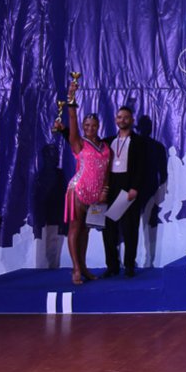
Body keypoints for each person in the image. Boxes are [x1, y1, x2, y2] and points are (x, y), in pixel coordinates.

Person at [56, 97, 111, 285]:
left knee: (85, 231)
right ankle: (76, 269)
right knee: (75, 228)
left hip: (95, 195)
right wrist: (71, 102)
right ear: (82, 126)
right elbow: (72, 119)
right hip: (78, 190)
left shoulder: (105, 147)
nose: (90, 128)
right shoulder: (78, 142)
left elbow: (107, 171)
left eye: (93, 125)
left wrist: (105, 190)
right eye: (86, 125)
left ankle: (84, 266)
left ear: (98, 126)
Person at [103, 106, 146, 277]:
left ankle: (129, 265)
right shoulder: (108, 141)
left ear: (132, 120)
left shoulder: (140, 142)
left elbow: (142, 167)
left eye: (126, 117)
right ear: (116, 119)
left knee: (130, 228)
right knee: (108, 229)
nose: (122, 120)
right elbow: (84, 145)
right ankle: (112, 266)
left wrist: (135, 187)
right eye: (119, 117)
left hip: (128, 186)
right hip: (111, 186)